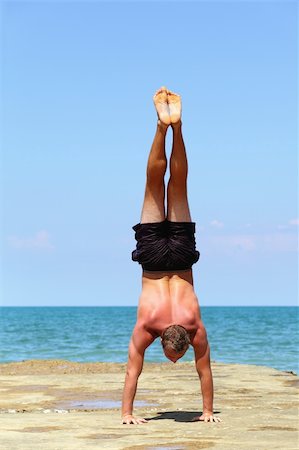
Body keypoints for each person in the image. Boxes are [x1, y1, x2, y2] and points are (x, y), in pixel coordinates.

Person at [121, 87, 220, 425]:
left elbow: (203, 371)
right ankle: (165, 127)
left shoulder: (194, 328)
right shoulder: (148, 326)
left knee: (177, 185)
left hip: (179, 257)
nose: (174, 361)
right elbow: (134, 369)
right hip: (153, 259)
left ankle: (172, 126)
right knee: (153, 186)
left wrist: (208, 410)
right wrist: (126, 413)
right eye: (174, 357)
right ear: (163, 337)